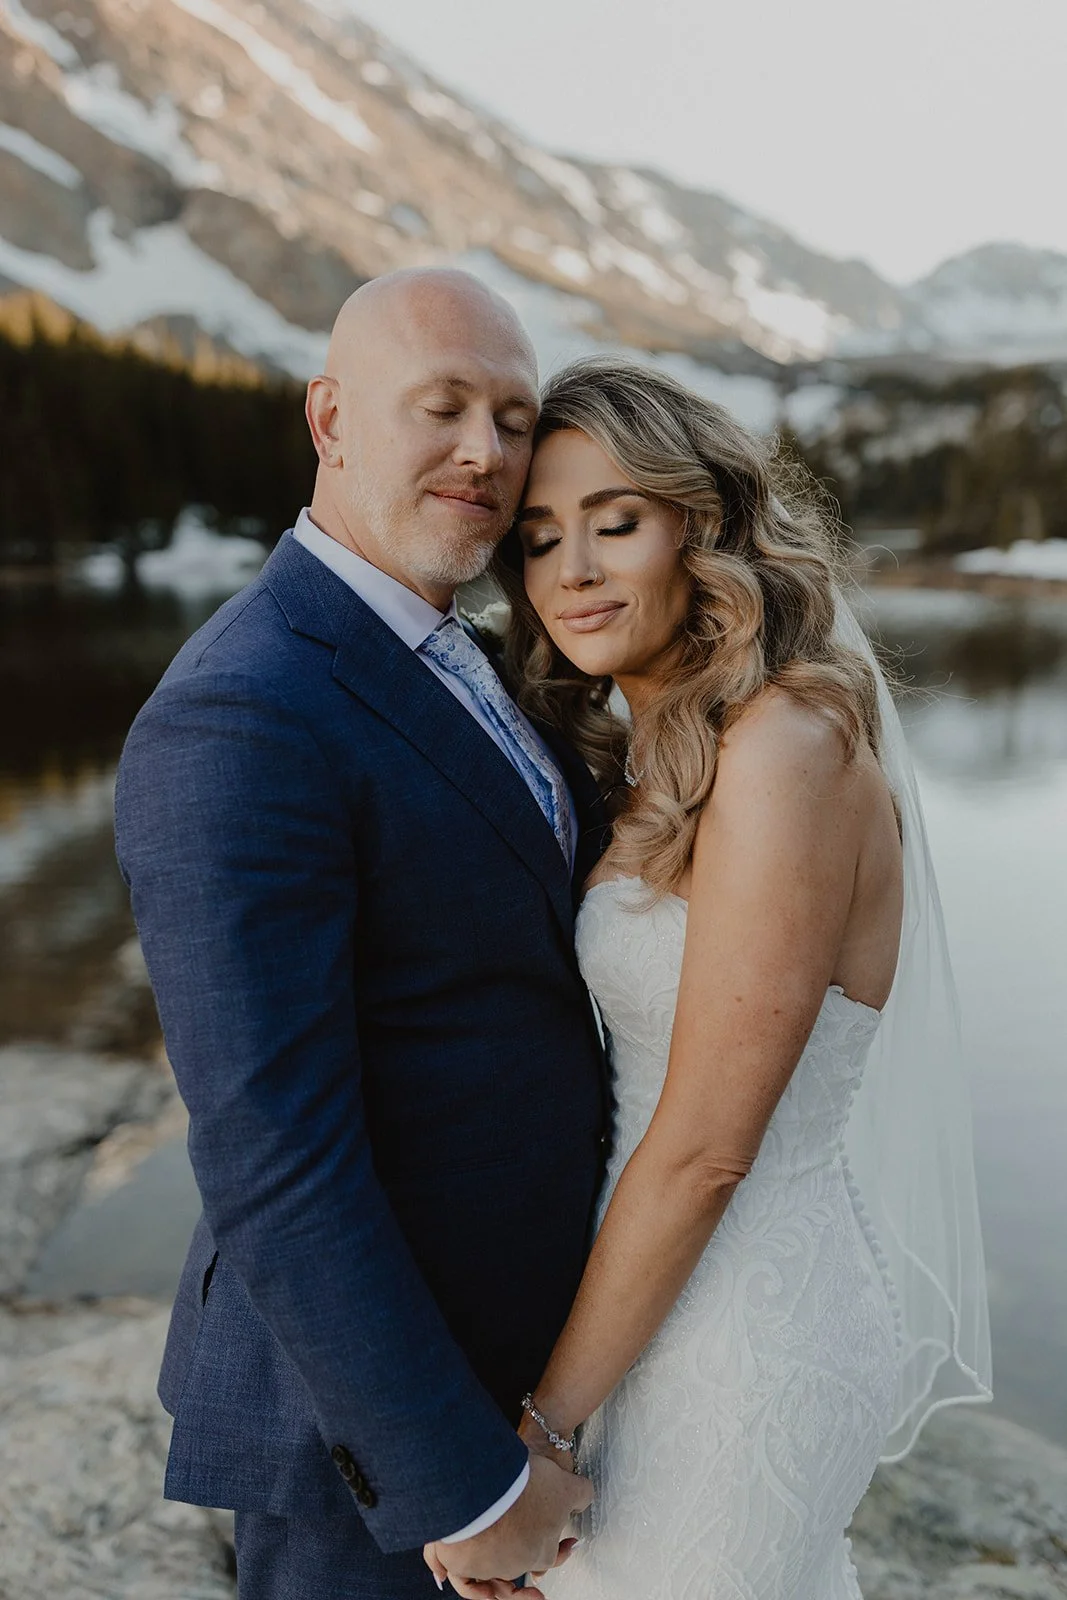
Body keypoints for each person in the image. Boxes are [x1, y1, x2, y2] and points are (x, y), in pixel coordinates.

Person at [456, 357, 992, 1600]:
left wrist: (538, 1436)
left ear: (699, 526)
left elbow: (705, 1145)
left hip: (745, 1331)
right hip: (641, 1311)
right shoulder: (659, 748)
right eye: (538, 538)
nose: (572, 570)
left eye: (615, 522)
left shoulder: (785, 745)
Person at [114, 270, 605, 1600]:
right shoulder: (242, 713)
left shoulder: (473, 649)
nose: (485, 452)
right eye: (439, 407)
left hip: (528, 1370)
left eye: (512, 418)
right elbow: (273, 1158)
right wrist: (463, 1480)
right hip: (372, 1445)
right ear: (329, 418)